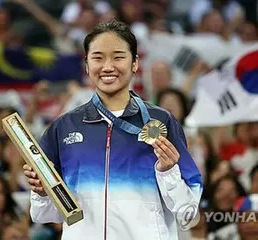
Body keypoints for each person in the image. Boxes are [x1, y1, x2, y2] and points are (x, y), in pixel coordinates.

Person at [23, 19, 203, 240]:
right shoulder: (64, 127)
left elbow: (188, 212)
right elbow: (42, 213)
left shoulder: (161, 122)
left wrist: (168, 172)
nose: (108, 66)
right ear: (87, 65)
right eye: (98, 58)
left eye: (118, 57)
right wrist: (42, 192)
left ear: (135, 63)